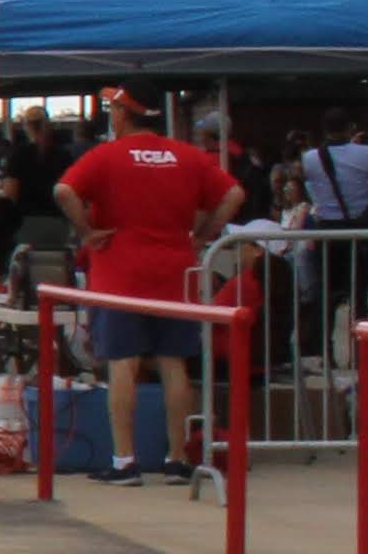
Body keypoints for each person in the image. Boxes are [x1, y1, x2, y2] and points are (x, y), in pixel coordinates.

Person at [55, 88, 240, 486]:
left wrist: (86, 233)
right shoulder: (187, 155)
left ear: (124, 112)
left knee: (123, 361)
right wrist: (203, 235)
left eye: (112, 108)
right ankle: (177, 459)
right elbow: (234, 194)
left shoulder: (106, 155)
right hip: (175, 271)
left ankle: (124, 461)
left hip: (119, 272)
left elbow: (64, 190)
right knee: (174, 362)